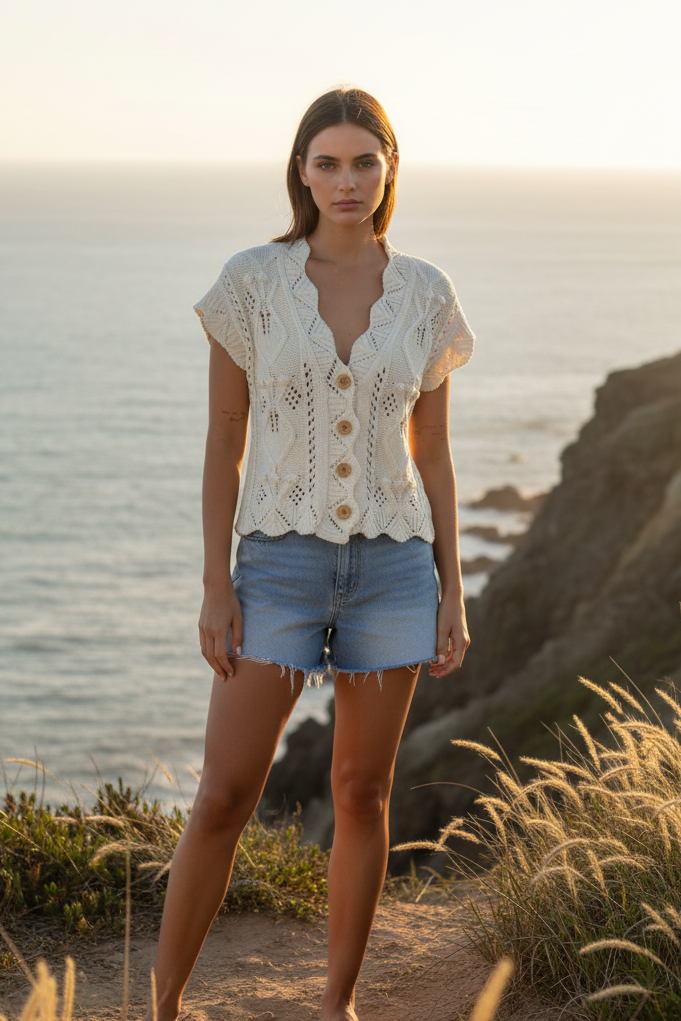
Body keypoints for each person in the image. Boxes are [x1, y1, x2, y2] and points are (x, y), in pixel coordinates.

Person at [148, 86, 475, 1021]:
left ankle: (336, 1004)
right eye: (327, 162)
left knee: (362, 793)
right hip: (278, 567)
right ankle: (163, 1004)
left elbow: (435, 448)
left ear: (388, 170)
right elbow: (224, 440)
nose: (346, 180)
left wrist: (452, 588)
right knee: (221, 795)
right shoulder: (250, 281)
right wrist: (217, 585)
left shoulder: (426, 292)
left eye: (363, 162)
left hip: (394, 571)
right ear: (300, 170)